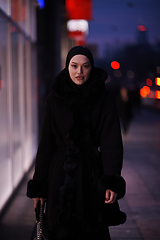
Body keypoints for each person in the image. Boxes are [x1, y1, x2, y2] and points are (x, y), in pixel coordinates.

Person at [27, 46, 126, 240]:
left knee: (93, 231)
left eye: (85, 66)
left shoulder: (104, 100)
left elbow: (111, 143)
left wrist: (111, 180)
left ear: (91, 67)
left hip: (92, 176)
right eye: (74, 66)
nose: (79, 72)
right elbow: (46, 145)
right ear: (67, 67)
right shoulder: (54, 100)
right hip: (59, 179)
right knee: (59, 230)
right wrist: (39, 185)